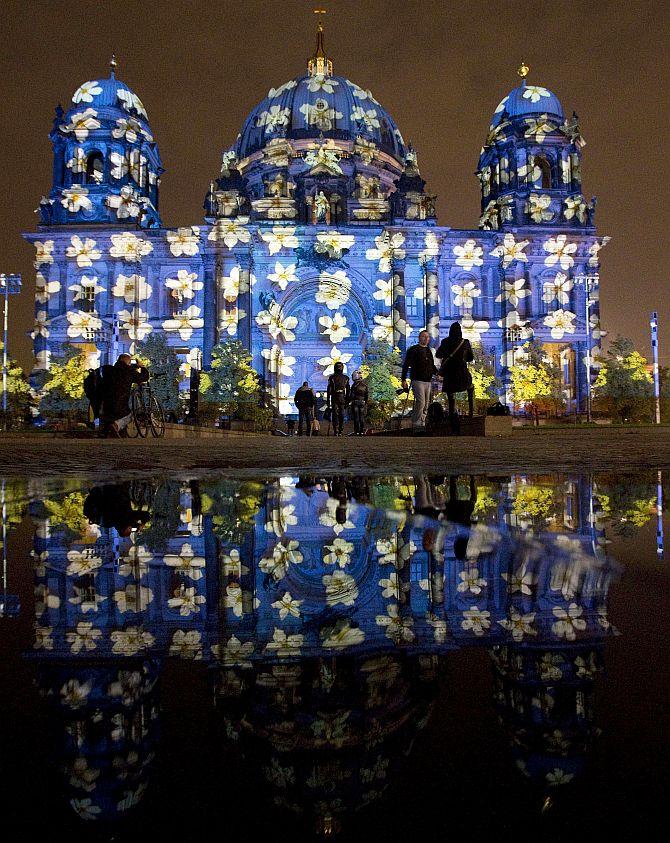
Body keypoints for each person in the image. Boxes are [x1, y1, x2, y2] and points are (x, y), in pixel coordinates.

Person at [101, 353, 149, 437]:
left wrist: (133, 367)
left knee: (109, 413)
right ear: (128, 362)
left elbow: (122, 369)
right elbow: (143, 377)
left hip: (105, 403)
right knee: (130, 414)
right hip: (120, 403)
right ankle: (116, 425)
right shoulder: (129, 372)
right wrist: (142, 367)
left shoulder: (109, 370)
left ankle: (106, 430)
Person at [436, 321, 474, 423]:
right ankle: (471, 414)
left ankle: (451, 417)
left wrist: (447, 354)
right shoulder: (465, 342)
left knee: (451, 397)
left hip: (450, 375)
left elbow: (438, 355)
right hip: (462, 374)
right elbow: (470, 358)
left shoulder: (445, 342)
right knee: (470, 388)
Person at [401, 329, 436, 430]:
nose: (426, 339)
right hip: (417, 380)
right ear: (419, 338)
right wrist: (403, 380)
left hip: (427, 380)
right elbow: (406, 365)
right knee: (421, 402)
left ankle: (422, 422)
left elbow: (431, 365)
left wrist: (438, 373)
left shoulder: (428, 351)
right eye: (423, 336)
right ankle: (416, 423)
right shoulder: (413, 350)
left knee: (426, 404)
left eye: (427, 337)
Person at [326, 361, 350, 436]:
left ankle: (336, 430)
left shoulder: (332, 377)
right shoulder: (346, 378)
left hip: (335, 397)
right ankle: (340, 430)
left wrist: (328, 399)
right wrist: (347, 400)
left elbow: (329, 389)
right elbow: (348, 390)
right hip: (341, 397)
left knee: (335, 414)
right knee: (341, 414)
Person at [349, 370, 368, 436]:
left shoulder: (354, 385)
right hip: (362, 402)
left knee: (356, 417)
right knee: (361, 417)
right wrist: (365, 402)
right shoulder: (365, 385)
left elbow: (351, 395)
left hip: (355, 402)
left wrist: (349, 401)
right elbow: (366, 395)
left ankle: (356, 431)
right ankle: (362, 431)